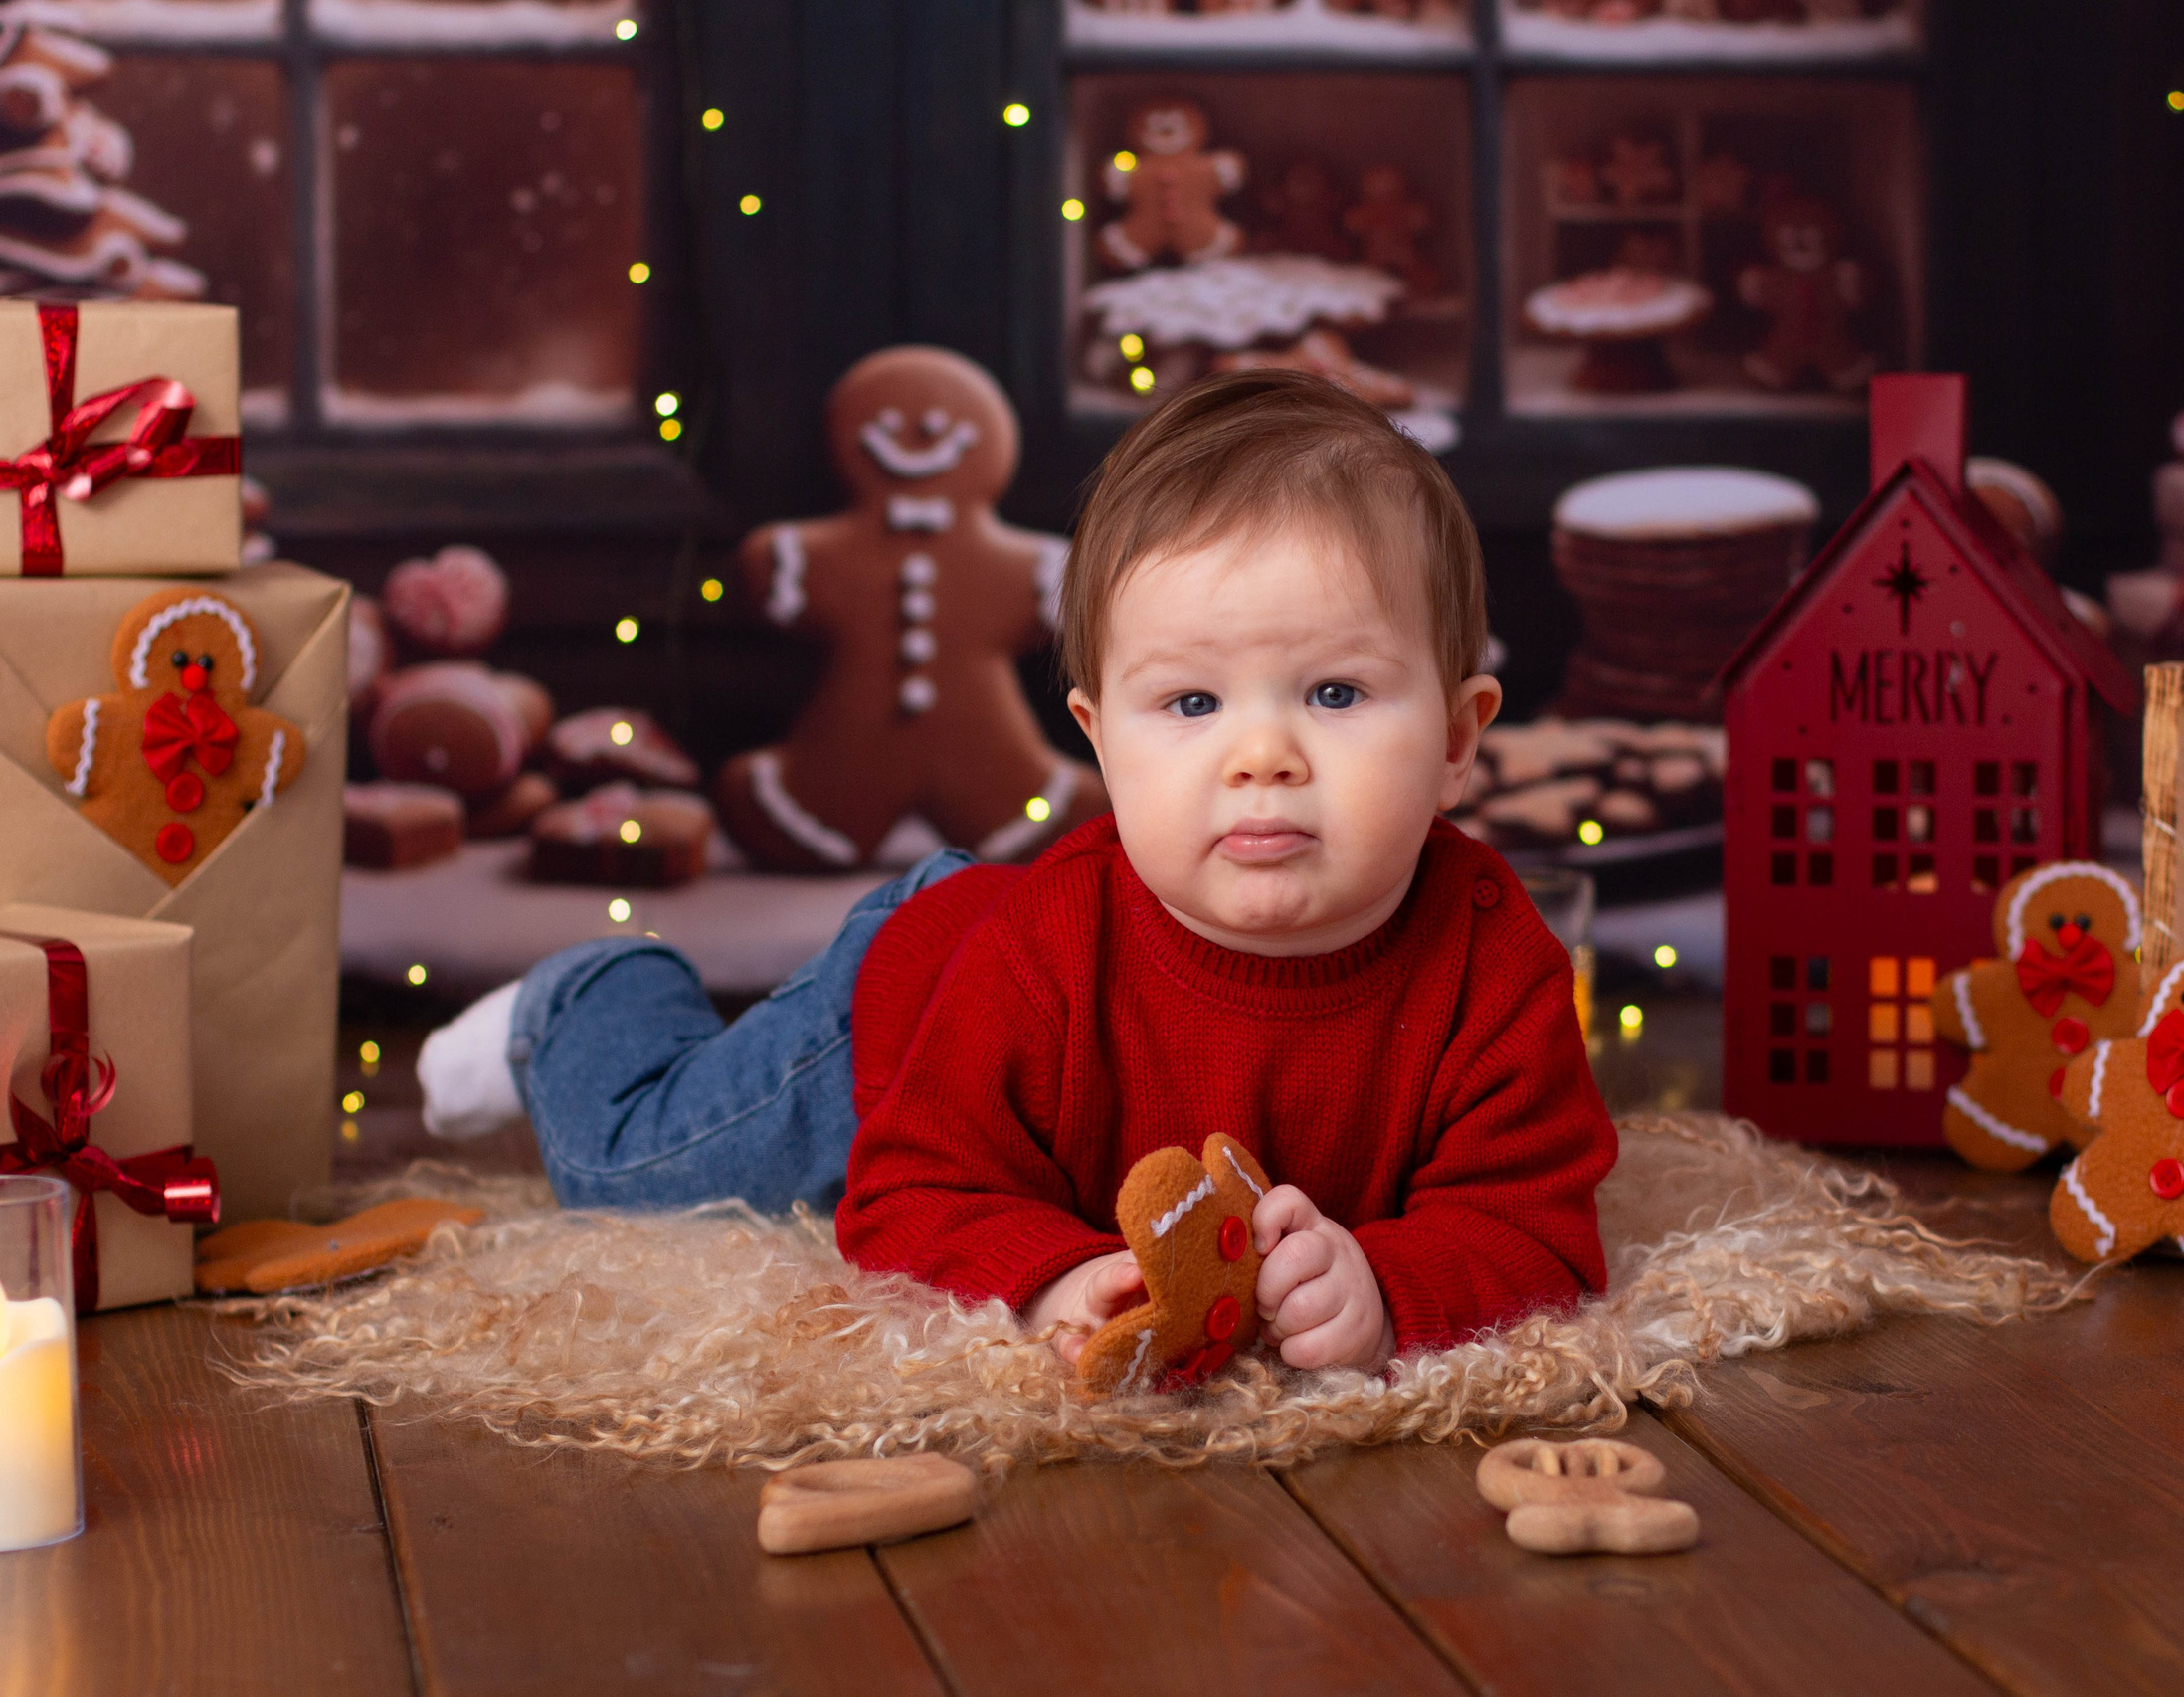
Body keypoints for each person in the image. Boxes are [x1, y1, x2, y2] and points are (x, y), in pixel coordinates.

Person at [417, 369, 1616, 1374]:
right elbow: (908, 1196)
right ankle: (585, 997)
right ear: (1098, 737)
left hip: (1010, 987)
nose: (1262, 756)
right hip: (914, 995)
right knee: (640, 1175)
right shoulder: (1042, 958)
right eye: (1190, 701)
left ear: (1459, 739)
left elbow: (1537, 1230)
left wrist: (1390, 1287)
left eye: (1336, 693)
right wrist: (1044, 1275)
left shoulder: (1492, 958)